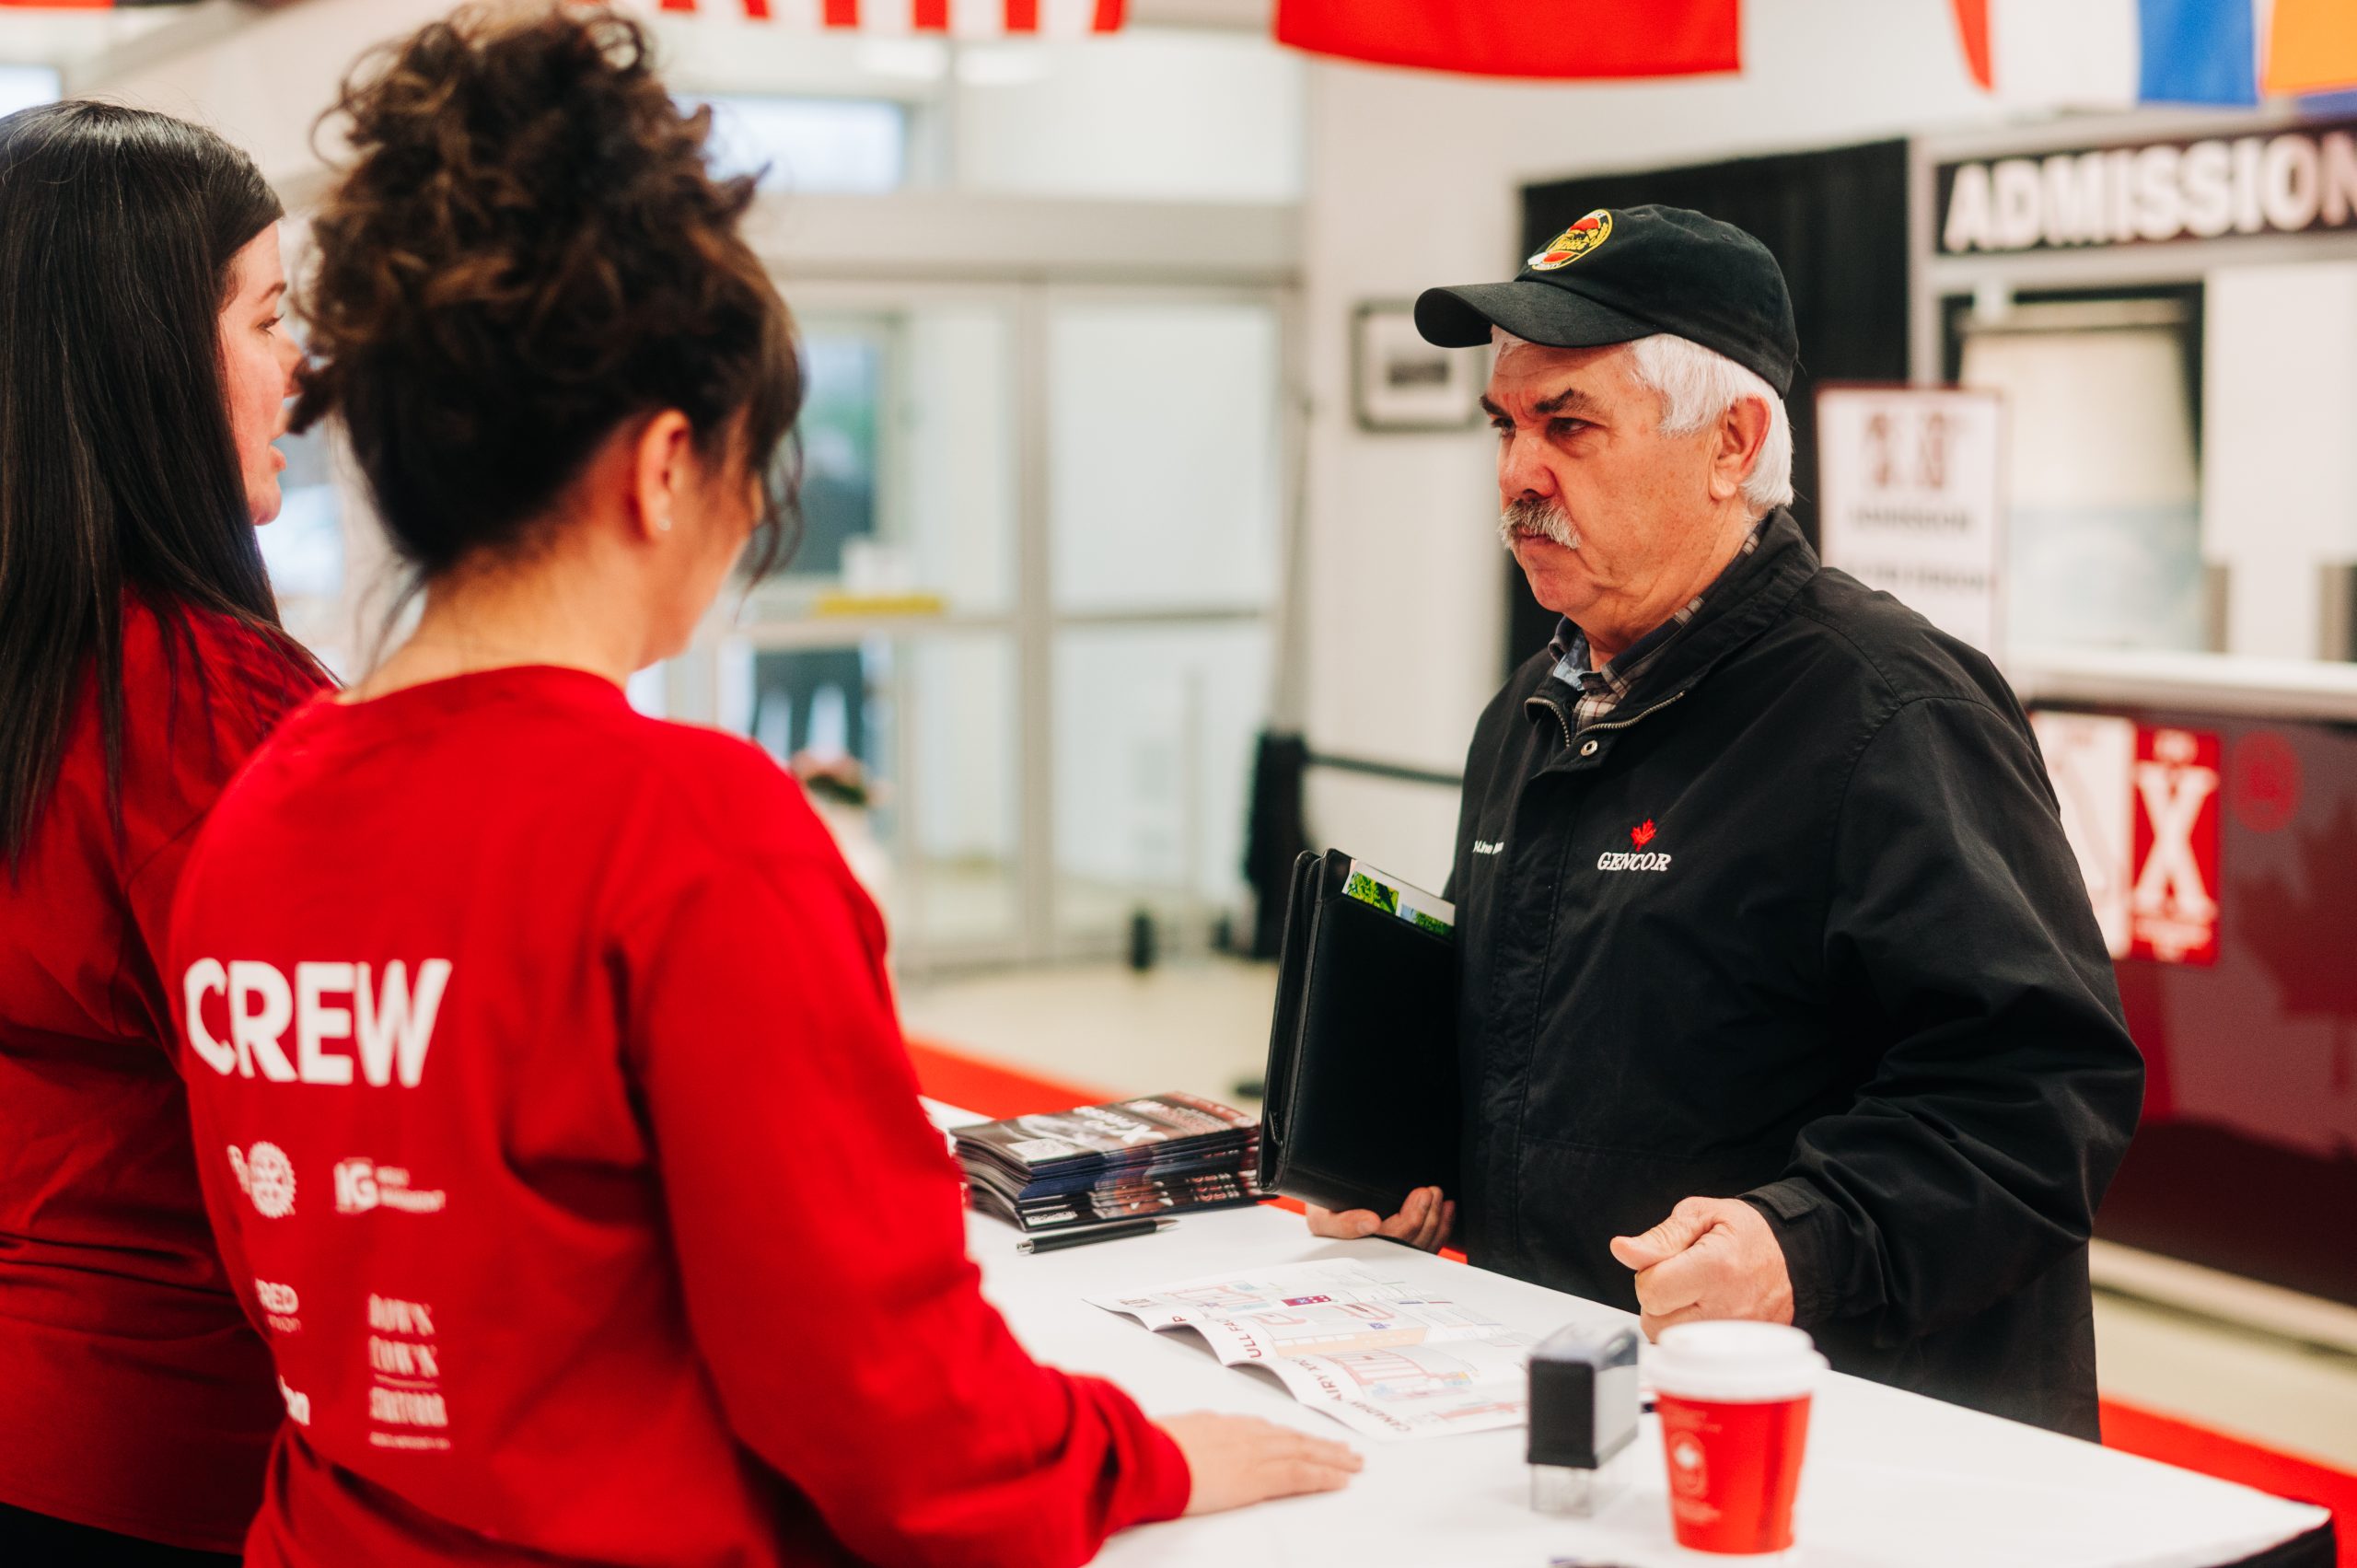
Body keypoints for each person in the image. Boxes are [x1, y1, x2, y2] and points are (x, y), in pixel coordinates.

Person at [168, 11, 1356, 1566]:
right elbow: (894, 1416)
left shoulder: (254, 813)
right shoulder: (685, 831)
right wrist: (1146, 1457)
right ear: (666, 467)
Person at [1307, 204, 2144, 1440]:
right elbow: (1531, 1040)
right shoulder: (1534, 710)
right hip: (1574, 1404)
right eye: (1507, 425)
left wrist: (1800, 1244)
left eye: (1570, 426)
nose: (1518, 474)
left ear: (1730, 445)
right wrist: (1408, 1164)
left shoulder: (1891, 714)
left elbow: (2038, 1100)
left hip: (1851, 1447)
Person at [0, 104, 330, 1558]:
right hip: (164, 1458)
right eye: (265, 316)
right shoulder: (211, 712)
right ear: (142, 363)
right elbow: (360, 1128)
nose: (294, 367)